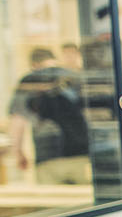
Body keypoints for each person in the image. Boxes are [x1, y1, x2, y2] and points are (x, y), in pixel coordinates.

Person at [8, 46, 90, 184]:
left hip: (47, 157)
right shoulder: (74, 77)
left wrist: (18, 153)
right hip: (81, 154)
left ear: (33, 65)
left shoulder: (29, 81)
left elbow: (18, 121)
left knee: (57, 202)